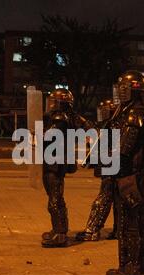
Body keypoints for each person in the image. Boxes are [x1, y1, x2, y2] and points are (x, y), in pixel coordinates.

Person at [106, 70, 144, 275]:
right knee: (139, 219)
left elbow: (124, 149)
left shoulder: (133, 115)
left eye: (124, 88)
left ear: (132, 91)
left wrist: (107, 161)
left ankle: (129, 267)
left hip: (130, 176)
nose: (120, 92)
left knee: (127, 221)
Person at [41, 88, 93, 248]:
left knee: (55, 199)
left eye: (52, 101)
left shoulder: (59, 118)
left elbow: (49, 137)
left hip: (55, 163)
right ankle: (58, 229)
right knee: (55, 197)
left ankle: (60, 233)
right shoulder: (71, 117)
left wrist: (37, 135)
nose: (49, 104)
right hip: (57, 161)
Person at [76, 100, 119, 242]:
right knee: (118, 199)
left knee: (104, 198)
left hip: (112, 167)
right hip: (114, 166)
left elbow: (101, 146)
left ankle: (93, 230)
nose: (102, 113)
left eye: (105, 110)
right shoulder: (111, 126)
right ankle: (119, 230)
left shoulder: (112, 126)